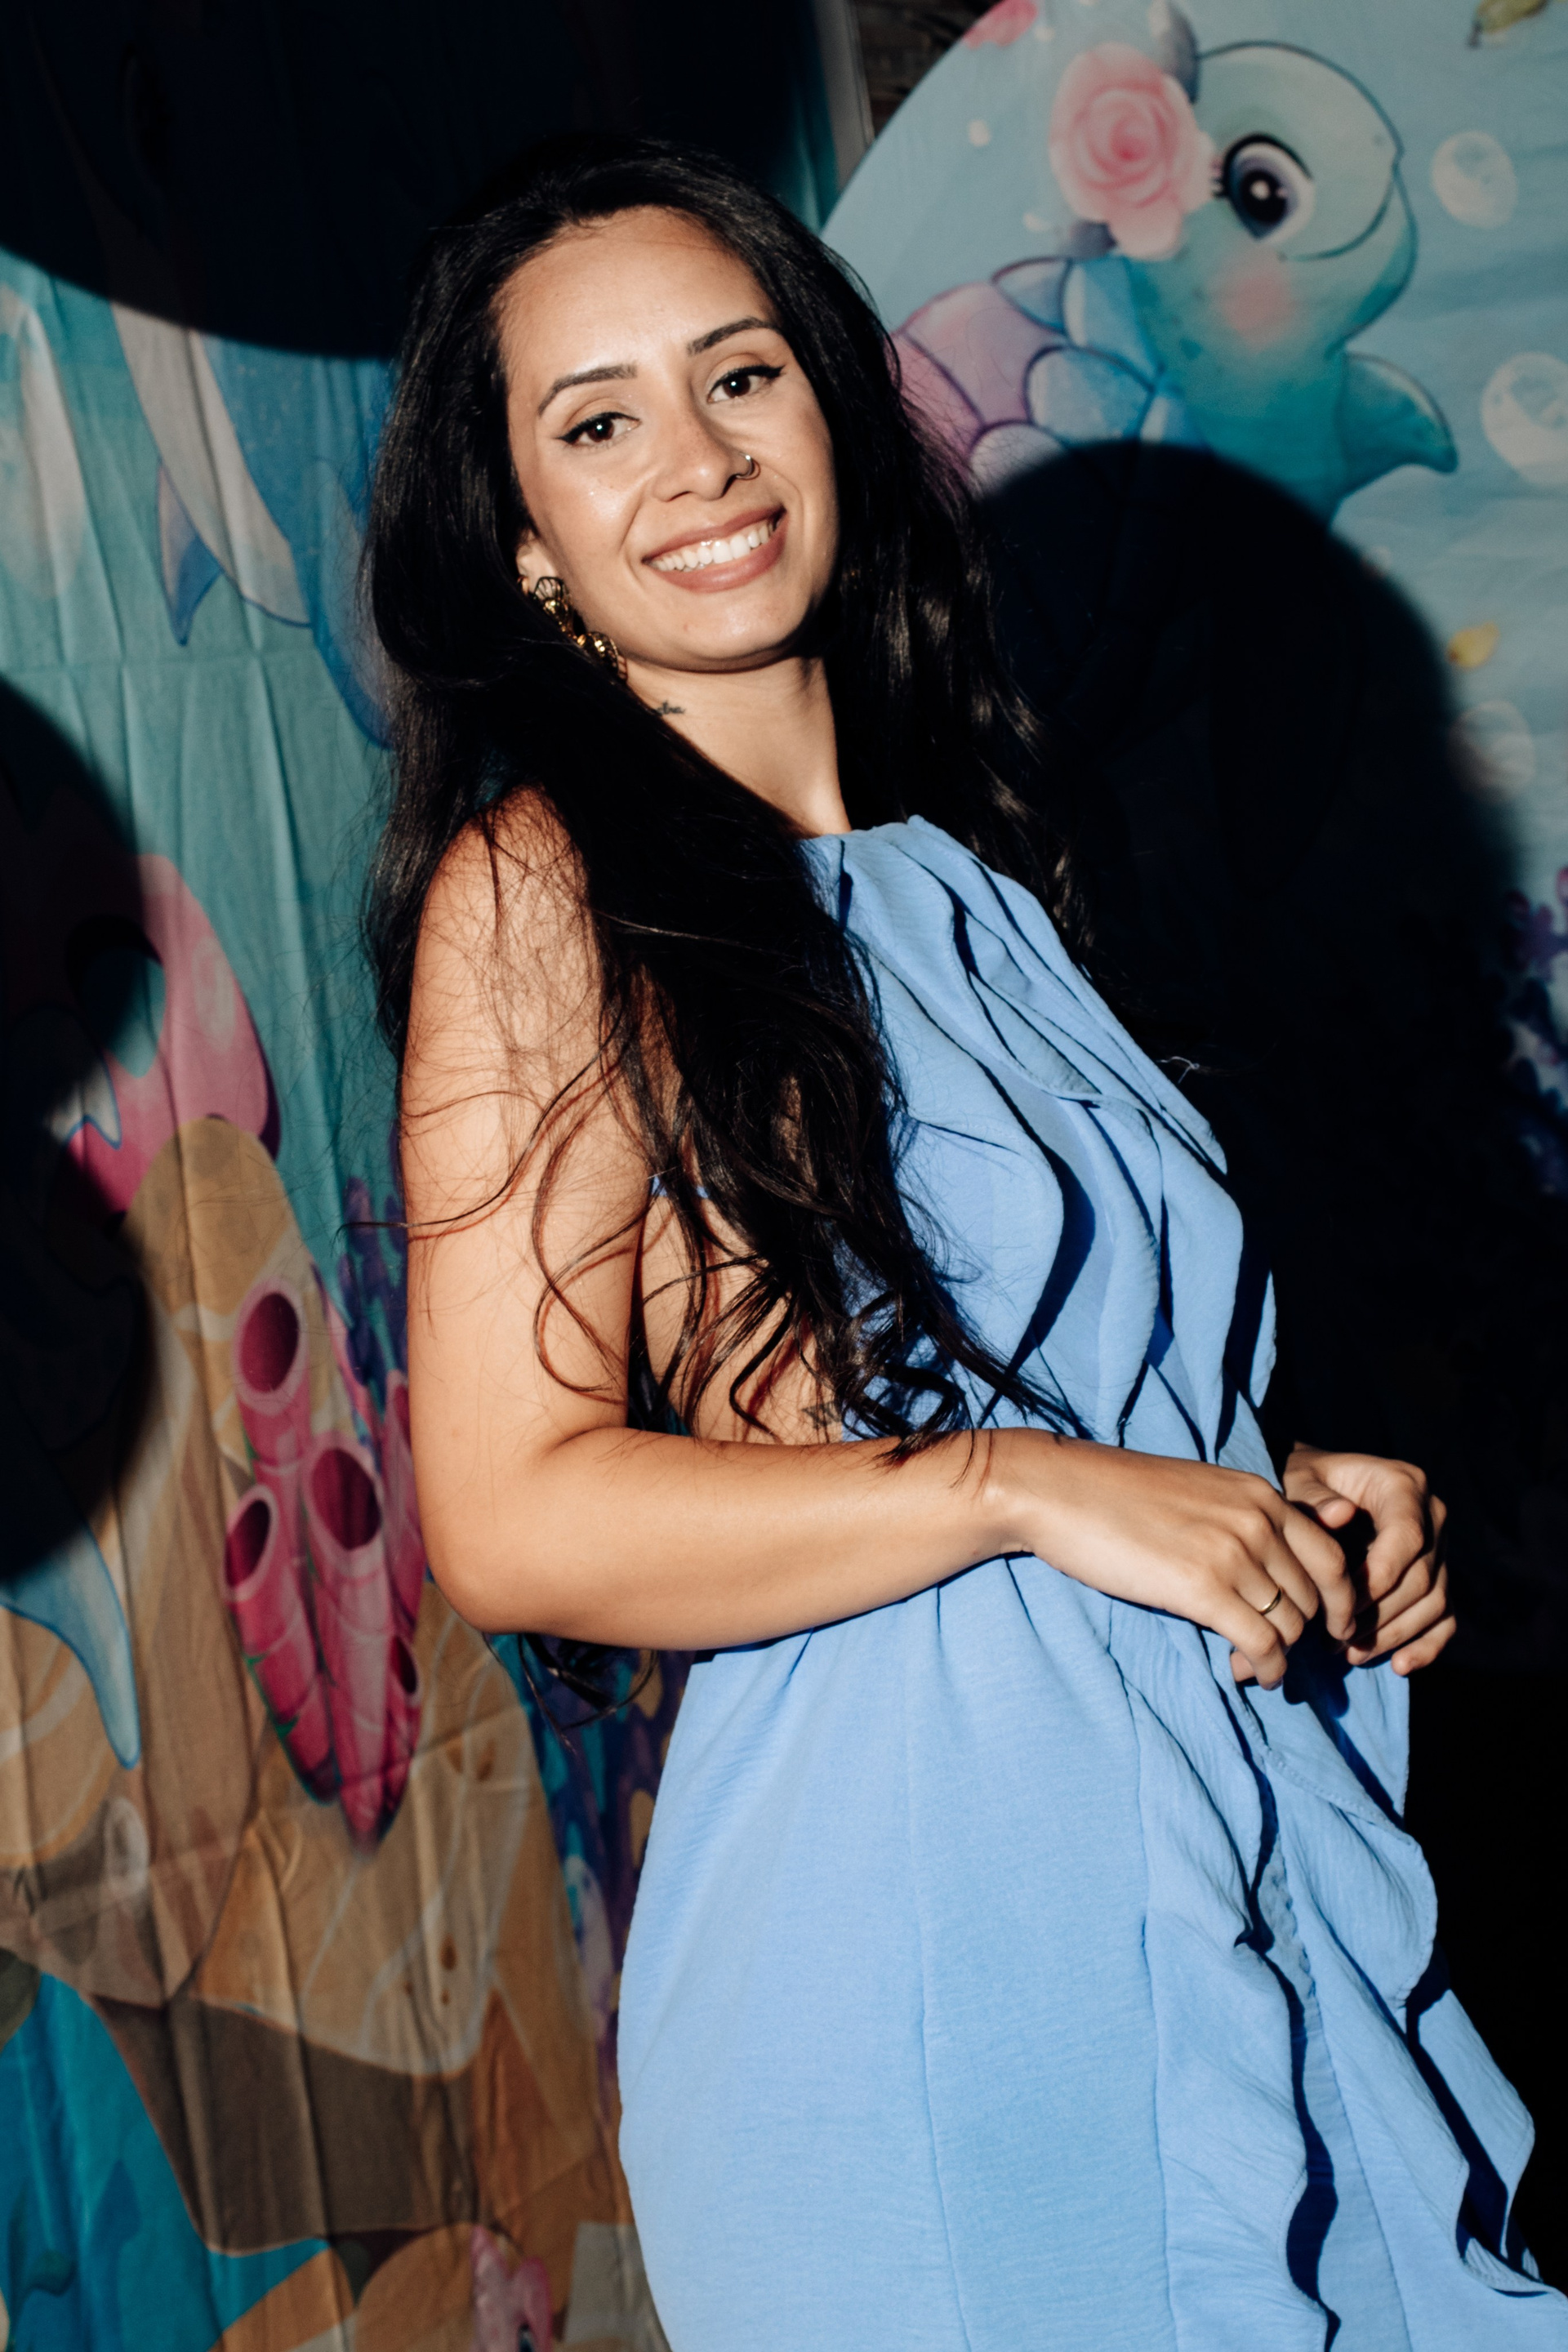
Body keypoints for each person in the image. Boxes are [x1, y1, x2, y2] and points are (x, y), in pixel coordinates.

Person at [364, 134, 1563, 2352]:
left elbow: (1070, 1398)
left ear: (830, 407)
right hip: (929, 1946)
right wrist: (1031, 1489)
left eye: (741, 377)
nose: (698, 460)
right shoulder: (547, 884)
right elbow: (513, 1519)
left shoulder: (981, 875)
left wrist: (1273, 1504)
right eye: (599, 422)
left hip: (1233, 1850)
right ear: (526, 545)